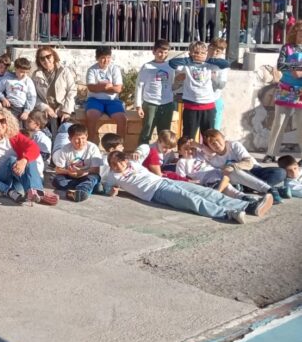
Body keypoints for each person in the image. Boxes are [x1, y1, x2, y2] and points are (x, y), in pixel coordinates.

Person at [103, 151, 270, 224]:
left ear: (125, 160)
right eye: (114, 164)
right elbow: (106, 188)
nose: (118, 165)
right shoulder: (112, 175)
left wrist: (138, 151)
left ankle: (248, 206)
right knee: (191, 200)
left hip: (164, 181)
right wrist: (112, 191)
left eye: (120, 161)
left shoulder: (132, 162)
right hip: (155, 192)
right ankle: (228, 214)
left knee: (205, 192)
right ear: (110, 165)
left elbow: (146, 148)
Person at [0, 108, 57, 205]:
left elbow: (33, 147)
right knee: (12, 159)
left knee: (28, 158)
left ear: (8, 121)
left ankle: (34, 192)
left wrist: (24, 160)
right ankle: (40, 192)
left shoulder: (14, 136)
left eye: (2, 121)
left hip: (16, 176)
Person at [200, 129, 286, 203]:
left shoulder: (234, 145)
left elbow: (249, 163)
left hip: (253, 170)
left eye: (218, 140)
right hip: (238, 179)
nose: (216, 144)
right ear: (209, 146)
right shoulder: (212, 158)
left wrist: (233, 166)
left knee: (280, 172)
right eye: (212, 143)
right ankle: (271, 190)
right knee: (233, 172)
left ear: (223, 138)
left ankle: (253, 187)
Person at [168, 41, 230, 139]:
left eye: (202, 53)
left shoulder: (209, 65)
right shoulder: (186, 65)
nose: (199, 55)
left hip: (208, 106)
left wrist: (207, 60)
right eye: (196, 53)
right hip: (191, 106)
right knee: (188, 137)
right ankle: (185, 154)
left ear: (206, 54)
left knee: (209, 137)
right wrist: (190, 59)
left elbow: (226, 64)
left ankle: (207, 154)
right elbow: (172, 63)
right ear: (190, 53)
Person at [264, 22, 302, 162]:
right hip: (286, 89)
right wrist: (295, 68)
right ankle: (271, 153)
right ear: (295, 33)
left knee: (301, 123)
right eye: (300, 32)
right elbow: (280, 65)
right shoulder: (287, 48)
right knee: (279, 122)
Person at [135, 40, 175, 145]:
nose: (163, 55)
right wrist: (138, 106)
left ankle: (162, 157)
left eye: (166, 52)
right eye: (160, 52)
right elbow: (139, 86)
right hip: (150, 103)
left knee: (165, 133)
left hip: (167, 104)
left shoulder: (171, 67)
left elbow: (173, 84)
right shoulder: (147, 67)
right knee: (146, 131)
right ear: (154, 51)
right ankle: (142, 156)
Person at [85, 46, 126, 144]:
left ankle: (119, 145)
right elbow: (91, 88)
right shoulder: (92, 70)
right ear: (97, 58)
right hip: (95, 100)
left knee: (122, 119)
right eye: (103, 57)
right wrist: (108, 87)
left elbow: (118, 89)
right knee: (91, 116)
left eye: (108, 57)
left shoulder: (115, 69)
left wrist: (100, 87)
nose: (106, 60)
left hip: (112, 100)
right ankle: (91, 143)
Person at [51, 124, 103, 202]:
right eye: (77, 139)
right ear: (69, 139)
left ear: (87, 136)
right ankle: (90, 187)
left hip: (87, 175)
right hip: (71, 176)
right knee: (57, 180)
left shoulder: (93, 148)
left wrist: (82, 172)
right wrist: (68, 172)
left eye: (83, 138)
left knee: (94, 177)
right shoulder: (65, 149)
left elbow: (96, 170)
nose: (80, 142)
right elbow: (58, 169)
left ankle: (81, 191)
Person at [32, 46, 78, 132]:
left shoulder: (64, 71)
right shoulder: (36, 75)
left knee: (67, 129)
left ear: (53, 56)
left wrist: (66, 110)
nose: (46, 60)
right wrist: (45, 108)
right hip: (46, 110)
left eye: (48, 57)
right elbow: (33, 96)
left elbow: (72, 91)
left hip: (63, 107)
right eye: (42, 58)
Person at [0, 57, 36, 121]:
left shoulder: (28, 81)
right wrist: (3, 99)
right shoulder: (8, 79)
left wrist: (27, 111)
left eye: (26, 72)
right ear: (16, 69)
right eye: (22, 72)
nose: (24, 75)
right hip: (9, 106)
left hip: (21, 109)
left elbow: (32, 97)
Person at [208, 38, 230, 130]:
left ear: (222, 52)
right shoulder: (201, 61)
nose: (214, 52)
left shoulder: (223, 66)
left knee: (214, 131)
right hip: (200, 101)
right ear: (208, 48)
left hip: (215, 101)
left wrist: (213, 78)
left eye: (218, 51)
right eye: (212, 48)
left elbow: (221, 85)